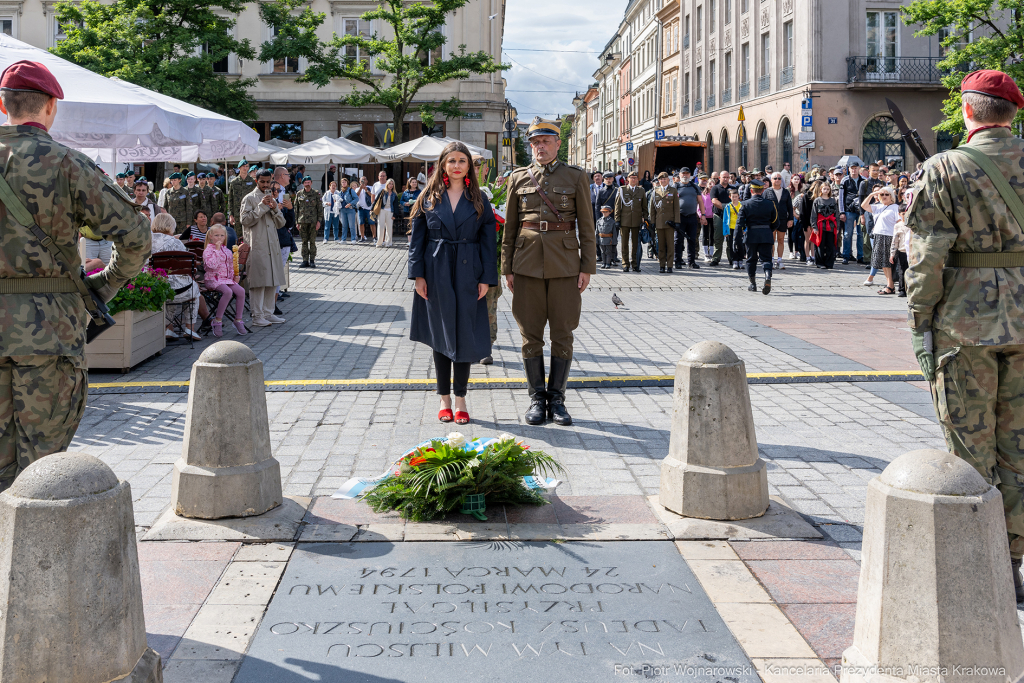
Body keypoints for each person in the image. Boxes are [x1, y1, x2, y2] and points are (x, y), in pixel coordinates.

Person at [0, 59, 152, 488]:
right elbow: (138, 236)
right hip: (49, 332)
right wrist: (105, 283)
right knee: (42, 472)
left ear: (2, 105)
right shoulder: (68, 164)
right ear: (51, 107)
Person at [904, 69, 1024, 602]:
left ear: (968, 112)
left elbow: (927, 257)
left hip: (964, 326)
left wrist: (919, 323)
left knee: (968, 448)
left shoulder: (945, 168)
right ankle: (1015, 564)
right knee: (1020, 448)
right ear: (1013, 113)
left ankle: (980, 565)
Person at [502, 117, 596, 426]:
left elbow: (586, 225)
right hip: (526, 264)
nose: (539, 147)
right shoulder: (518, 179)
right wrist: (507, 268)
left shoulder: (576, 177)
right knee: (530, 335)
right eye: (535, 143)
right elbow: (511, 228)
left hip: (565, 265)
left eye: (545, 142)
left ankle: (557, 399)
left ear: (558, 144)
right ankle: (535, 398)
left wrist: (587, 267)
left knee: (562, 333)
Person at [409, 141, 498, 425]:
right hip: (436, 271)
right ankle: (443, 399)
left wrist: (487, 278)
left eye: (462, 160)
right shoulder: (429, 197)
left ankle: (461, 399)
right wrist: (418, 275)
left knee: (464, 334)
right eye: (452, 161)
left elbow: (488, 242)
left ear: (469, 166)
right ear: (443, 165)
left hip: (469, 271)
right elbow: (416, 241)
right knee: (441, 334)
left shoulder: (480, 199)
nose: (457, 165)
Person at [240, 168, 287, 327]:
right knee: (258, 281)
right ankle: (257, 315)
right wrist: (261, 206)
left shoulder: (273, 198)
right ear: (256, 181)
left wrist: (274, 208)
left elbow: (281, 224)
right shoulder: (249, 198)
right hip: (257, 245)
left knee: (272, 279)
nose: (265, 185)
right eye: (262, 182)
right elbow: (245, 220)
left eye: (268, 182)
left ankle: (268, 312)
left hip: (272, 244)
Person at [150, 213, 203, 341]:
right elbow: (187, 265)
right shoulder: (176, 242)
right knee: (193, 289)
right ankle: (190, 328)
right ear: (170, 226)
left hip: (155, 287)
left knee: (170, 290)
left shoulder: (146, 240)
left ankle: (169, 328)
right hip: (180, 290)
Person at [203, 225, 247, 337]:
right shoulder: (208, 250)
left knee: (241, 291)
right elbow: (211, 266)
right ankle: (217, 321)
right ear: (211, 236)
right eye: (216, 235)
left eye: (222, 235)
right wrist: (217, 251)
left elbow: (230, 266)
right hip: (213, 279)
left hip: (226, 279)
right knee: (228, 292)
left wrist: (234, 277)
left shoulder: (227, 250)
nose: (219, 238)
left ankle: (238, 319)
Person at [737, 176, 779, 295]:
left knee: (751, 260)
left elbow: (739, 224)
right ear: (763, 190)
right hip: (766, 234)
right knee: (766, 259)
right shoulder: (770, 204)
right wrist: (767, 229)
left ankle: (753, 284)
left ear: (751, 191)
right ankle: (767, 276)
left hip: (751, 235)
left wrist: (736, 238)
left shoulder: (744, 204)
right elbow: (776, 222)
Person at [861, 185, 900, 295]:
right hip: (878, 236)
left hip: (889, 237)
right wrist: (872, 194)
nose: (884, 196)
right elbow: (863, 205)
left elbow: (899, 222)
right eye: (881, 194)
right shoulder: (877, 206)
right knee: (883, 263)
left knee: (888, 263)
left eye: (886, 194)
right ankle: (890, 285)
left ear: (891, 196)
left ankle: (890, 285)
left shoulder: (895, 207)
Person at [614, 170, 648, 272]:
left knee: (635, 244)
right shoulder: (622, 190)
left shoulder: (641, 191)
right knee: (624, 244)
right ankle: (625, 264)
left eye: (635, 178)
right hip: (625, 221)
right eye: (631, 178)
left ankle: (635, 264)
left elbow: (644, 207)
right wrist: (617, 219)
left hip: (636, 221)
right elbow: (617, 205)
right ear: (628, 179)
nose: (633, 179)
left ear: (637, 180)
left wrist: (645, 218)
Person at [649, 171, 681, 273]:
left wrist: (677, 221)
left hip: (669, 222)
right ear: (659, 180)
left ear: (668, 180)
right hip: (659, 222)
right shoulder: (655, 191)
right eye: (661, 179)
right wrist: (652, 221)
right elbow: (652, 209)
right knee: (661, 245)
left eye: (665, 179)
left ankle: (670, 265)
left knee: (670, 245)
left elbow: (676, 207)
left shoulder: (673, 190)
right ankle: (662, 265)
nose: (663, 181)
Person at [764, 172, 794, 269]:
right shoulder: (767, 191)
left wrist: (790, 219)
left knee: (781, 240)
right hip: (770, 220)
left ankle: (780, 260)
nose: (777, 180)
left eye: (779, 178)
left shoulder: (785, 192)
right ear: (771, 180)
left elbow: (790, 207)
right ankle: (771, 259)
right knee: (771, 240)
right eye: (775, 178)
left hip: (782, 219)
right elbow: (762, 206)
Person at [809, 181, 840, 270]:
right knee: (820, 245)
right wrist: (814, 227)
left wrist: (837, 226)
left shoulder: (833, 200)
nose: (826, 190)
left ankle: (829, 263)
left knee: (830, 244)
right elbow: (813, 215)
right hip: (820, 225)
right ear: (821, 190)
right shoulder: (817, 200)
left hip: (831, 225)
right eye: (824, 189)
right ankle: (820, 263)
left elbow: (836, 214)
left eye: (827, 189)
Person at [295, 176, 321, 268]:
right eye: (305, 182)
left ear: (311, 183)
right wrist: (296, 222)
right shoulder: (299, 194)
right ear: (303, 184)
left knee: (312, 242)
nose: (307, 184)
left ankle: (312, 260)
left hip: (313, 222)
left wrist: (319, 221)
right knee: (304, 241)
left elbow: (319, 209)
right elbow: (296, 209)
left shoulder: (316, 194)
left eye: (309, 182)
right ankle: (305, 260)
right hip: (302, 221)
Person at [710, 171, 733, 266]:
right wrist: (726, 207)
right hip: (719, 215)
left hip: (731, 217)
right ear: (720, 177)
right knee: (718, 238)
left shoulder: (732, 188)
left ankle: (731, 258)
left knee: (730, 239)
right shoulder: (715, 188)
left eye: (728, 177)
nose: (726, 179)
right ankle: (716, 258)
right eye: (724, 177)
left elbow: (736, 200)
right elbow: (714, 201)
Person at [227, 159, 256, 228]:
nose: (245, 168)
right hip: (237, 214)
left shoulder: (252, 181)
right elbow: (230, 199)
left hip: (249, 212)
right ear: (239, 168)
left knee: (250, 235)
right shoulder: (234, 182)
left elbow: (255, 197)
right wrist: (231, 215)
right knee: (238, 236)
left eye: (246, 166)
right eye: (243, 166)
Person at [375, 178, 400, 248]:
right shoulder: (383, 191)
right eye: (389, 183)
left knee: (389, 228)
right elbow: (376, 200)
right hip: (382, 210)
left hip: (390, 211)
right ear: (387, 184)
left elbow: (396, 205)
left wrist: (395, 214)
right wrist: (371, 209)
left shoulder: (394, 194)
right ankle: (379, 243)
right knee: (381, 227)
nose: (391, 185)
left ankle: (388, 243)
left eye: (392, 184)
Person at [723, 188, 744, 269]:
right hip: (731, 228)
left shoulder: (742, 205)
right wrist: (725, 231)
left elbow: (745, 218)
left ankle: (740, 260)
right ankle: (734, 260)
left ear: (738, 197)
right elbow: (725, 220)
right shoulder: (728, 206)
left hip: (740, 228)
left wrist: (745, 229)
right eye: (733, 196)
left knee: (741, 245)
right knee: (732, 245)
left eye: (736, 196)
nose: (734, 198)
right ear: (730, 197)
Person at [338, 177, 360, 243]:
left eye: (345, 182)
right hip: (342, 210)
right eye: (342, 182)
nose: (343, 183)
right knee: (344, 225)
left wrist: (350, 204)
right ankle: (343, 239)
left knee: (351, 225)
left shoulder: (350, 190)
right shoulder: (340, 192)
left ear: (347, 183)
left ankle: (353, 239)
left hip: (350, 209)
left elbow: (356, 199)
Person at [596, 205, 617, 269]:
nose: (604, 213)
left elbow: (614, 233)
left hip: (609, 239)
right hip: (601, 239)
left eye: (606, 212)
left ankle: (608, 263)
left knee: (608, 252)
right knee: (602, 251)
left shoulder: (612, 222)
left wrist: (614, 241)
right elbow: (597, 231)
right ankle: (603, 263)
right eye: (603, 212)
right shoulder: (599, 221)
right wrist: (596, 240)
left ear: (609, 212)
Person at [356, 176, 374, 242]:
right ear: (359, 182)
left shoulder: (371, 187)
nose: (363, 181)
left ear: (367, 181)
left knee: (372, 223)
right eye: (362, 181)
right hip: (361, 208)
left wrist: (366, 190)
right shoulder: (357, 189)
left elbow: (372, 196)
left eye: (364, 180)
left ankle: (374, 237)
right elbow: (356, 196)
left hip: (369, 208)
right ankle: (362, 237)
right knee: (361, 223)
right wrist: (360, 189)